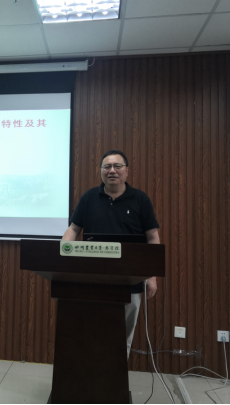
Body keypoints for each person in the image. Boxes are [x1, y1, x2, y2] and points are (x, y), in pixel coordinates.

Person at [62, 149, 160, 358]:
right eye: (107, 167)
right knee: (91, 331)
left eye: (117, 166)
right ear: (101, 171)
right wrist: (63, 257)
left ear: (126, 171)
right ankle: (91, 373)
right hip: (93, 279)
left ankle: (116, 376)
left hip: (131, 281)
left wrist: (152, 275)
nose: (112, 170)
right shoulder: (89, 197)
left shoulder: (140, 199)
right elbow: (73, 229)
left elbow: (152, 237)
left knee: (123, 336)